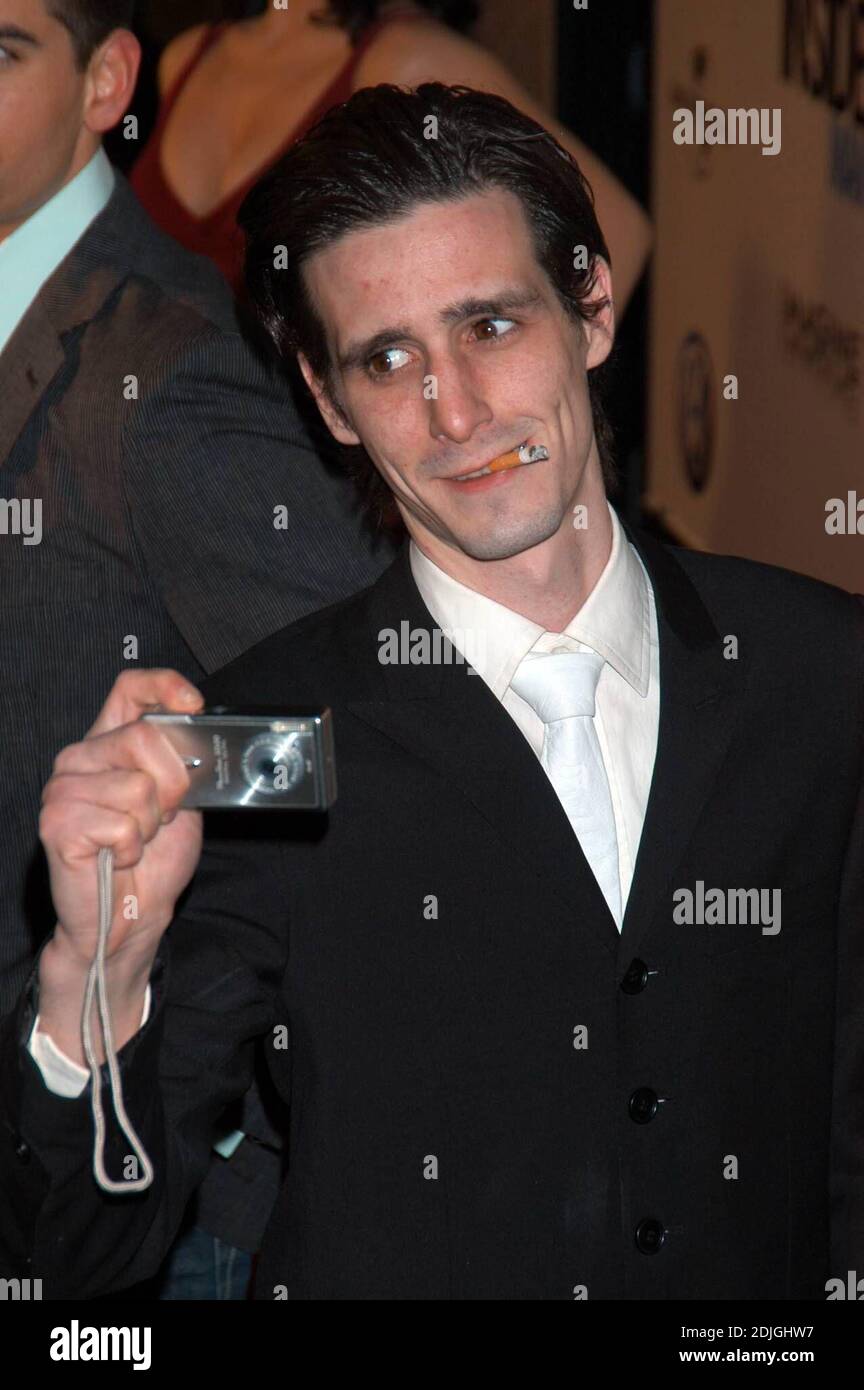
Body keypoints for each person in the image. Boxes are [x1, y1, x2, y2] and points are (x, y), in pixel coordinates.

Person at [2, 80, 863, 1301]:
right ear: (326, 400)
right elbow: (81, 1261)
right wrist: (97, 971)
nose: (454, 412)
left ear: (594, 310)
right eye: (388, 358)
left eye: (492, 328)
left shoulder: (821, 670)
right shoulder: (265, 741)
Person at [0, 0, 392, 1299]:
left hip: (144, 1171)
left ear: (108, 79)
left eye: (1, 53)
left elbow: (361, 732)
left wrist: (161, 772)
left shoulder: (166, 379)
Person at [131, 0, 652, 307]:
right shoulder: (185, 57)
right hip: (161, 470)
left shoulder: (408, 57)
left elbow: (618, 230)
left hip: (318, 486)